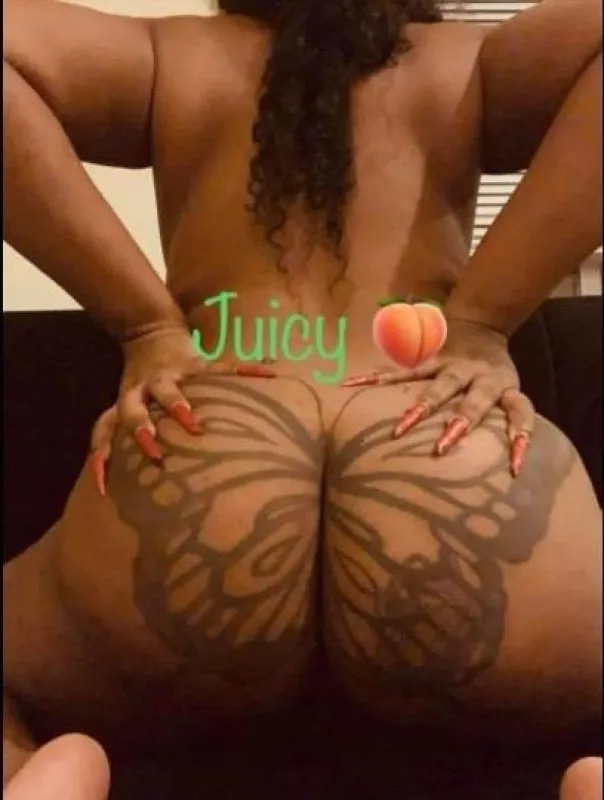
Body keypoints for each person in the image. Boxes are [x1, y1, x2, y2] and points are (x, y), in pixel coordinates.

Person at [3, 0, 602, 796]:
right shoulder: (470, 65)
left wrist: (148, 326)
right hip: (444, 450)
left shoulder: (171, 59)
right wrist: (480, 322)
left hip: (204, 452)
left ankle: (42, 777)